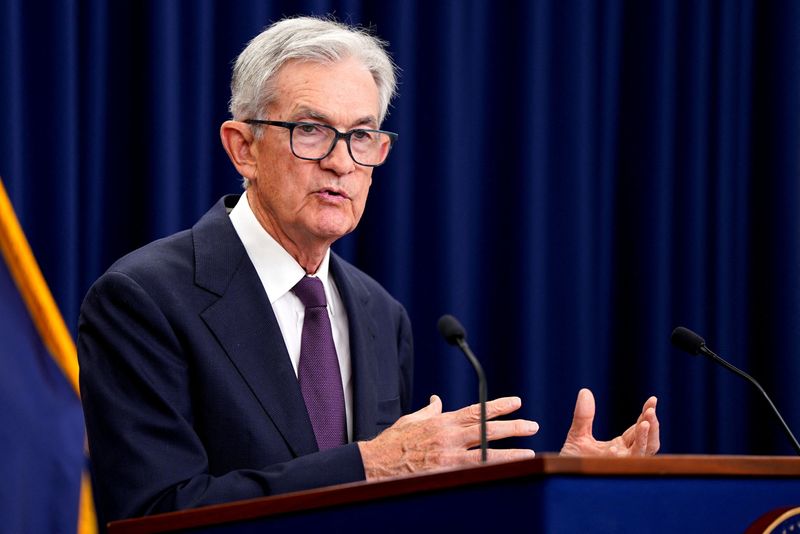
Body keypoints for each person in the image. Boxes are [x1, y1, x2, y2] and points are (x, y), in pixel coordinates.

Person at [78, 15, 660, 526]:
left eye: (361, 136)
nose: (340, 161)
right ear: (243, 148)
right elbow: (155, 513)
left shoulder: (380, 313)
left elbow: (400, 510)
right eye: (310, 130)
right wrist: (370, 465)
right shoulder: (144, 298)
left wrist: (562, 488)